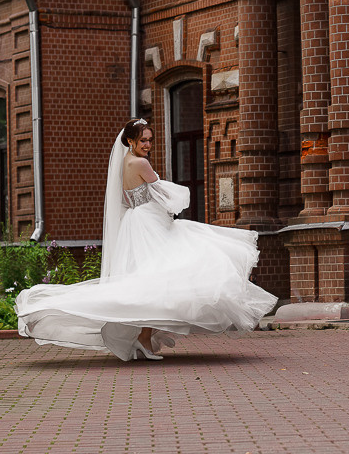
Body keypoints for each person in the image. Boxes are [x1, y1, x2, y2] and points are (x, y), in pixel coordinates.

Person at [15, 118, 278, 360]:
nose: (148, 145)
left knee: (149, 281)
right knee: (170, 272)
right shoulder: (140, 163)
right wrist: (180, 194)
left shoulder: (123, 164)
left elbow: (126, 199)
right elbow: (167, 196)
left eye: (150, 140)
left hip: (136, 221)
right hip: (149, 223)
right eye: (143, 140)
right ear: (130, 141)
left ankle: (143, 338)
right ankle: (143, 337)